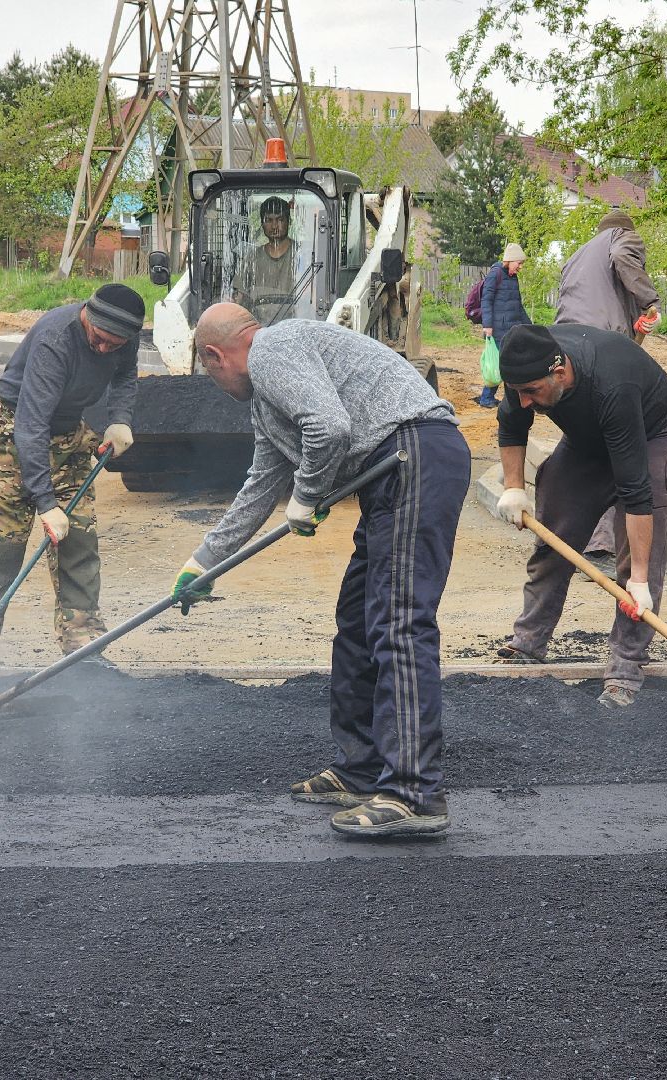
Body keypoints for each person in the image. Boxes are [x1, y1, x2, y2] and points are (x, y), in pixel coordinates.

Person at [171, 304, 471, 837]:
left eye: (209, 372)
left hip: (414, 453)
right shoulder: (269, 400)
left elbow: (329, 427)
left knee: (399, 622)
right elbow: (263, 481)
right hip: (393, 469)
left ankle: (413, 793)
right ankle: (361, 769)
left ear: (215, 356)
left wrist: (307, 494)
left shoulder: (274, 349)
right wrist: (205, 562)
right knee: (357, 621)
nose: (215, 383)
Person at [0, 283, 142, 664]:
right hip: (13, 431)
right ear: (87, 315)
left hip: (69, 434)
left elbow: (125, 374)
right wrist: (46, 502)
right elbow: (31, 425)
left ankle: (83, 646)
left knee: (79, 543)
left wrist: (119, 419)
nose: (104, 349)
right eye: (99, 339)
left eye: (113, 345)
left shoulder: (123, 336)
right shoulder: (57, 339)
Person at [492, 323, 667, 709]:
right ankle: (529, 642)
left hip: (646, 437)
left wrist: (640, 579)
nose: (524, 401)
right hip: (583, 443)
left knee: (635, 572)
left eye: (531, 392)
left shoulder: (614, 386)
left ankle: (625, 668)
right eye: (517, 392)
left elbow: (636, 492)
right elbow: (511, 425)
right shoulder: (525, 368)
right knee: (552, 539)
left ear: (559, 374)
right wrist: (514, 487)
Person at [556, 210, 663, 567]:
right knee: (615, 444)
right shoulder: (622, 240)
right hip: (599, 350)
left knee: (583, 442)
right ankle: (602, 544)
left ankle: (569, 534)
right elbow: (622, 260)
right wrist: (650, 301)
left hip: (563, 353)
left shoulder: (576, 257)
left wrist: (635, 333)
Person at [555, 210, 661, 343]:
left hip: (564, 336)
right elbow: (621, 254)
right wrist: (651, 304)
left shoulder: (576, 256)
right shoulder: (622, 235)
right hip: (603, 337)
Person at [477, 242, 531, 407]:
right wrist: (487, 325)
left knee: (511, 362)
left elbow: (518, 304)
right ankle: (487, 398)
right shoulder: (495, 274)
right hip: (499, 329)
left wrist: (529, 325)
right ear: (510, 260)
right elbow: (486, 300)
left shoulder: (513, 277)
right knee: (500, 363)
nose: (520, 267)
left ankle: (508, 398)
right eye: (519, 263)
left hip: (513, 326)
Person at [238, 195, 297, 324]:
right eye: (269, 220)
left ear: (289, 221)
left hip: (296, 324)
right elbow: (238, 298)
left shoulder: (301, 254)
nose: (274, 226)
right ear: (262, 224)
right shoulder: (251, 258)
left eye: (280, 219)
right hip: (259, 328)